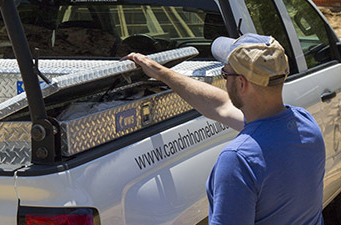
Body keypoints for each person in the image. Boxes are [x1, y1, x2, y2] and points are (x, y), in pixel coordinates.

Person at [123, 33, 325, 224]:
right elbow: (221, 106)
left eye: (225, 73)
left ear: (241, 84)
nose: (224, 79)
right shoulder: (304, 122)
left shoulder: (239, 159)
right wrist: (162, 73)